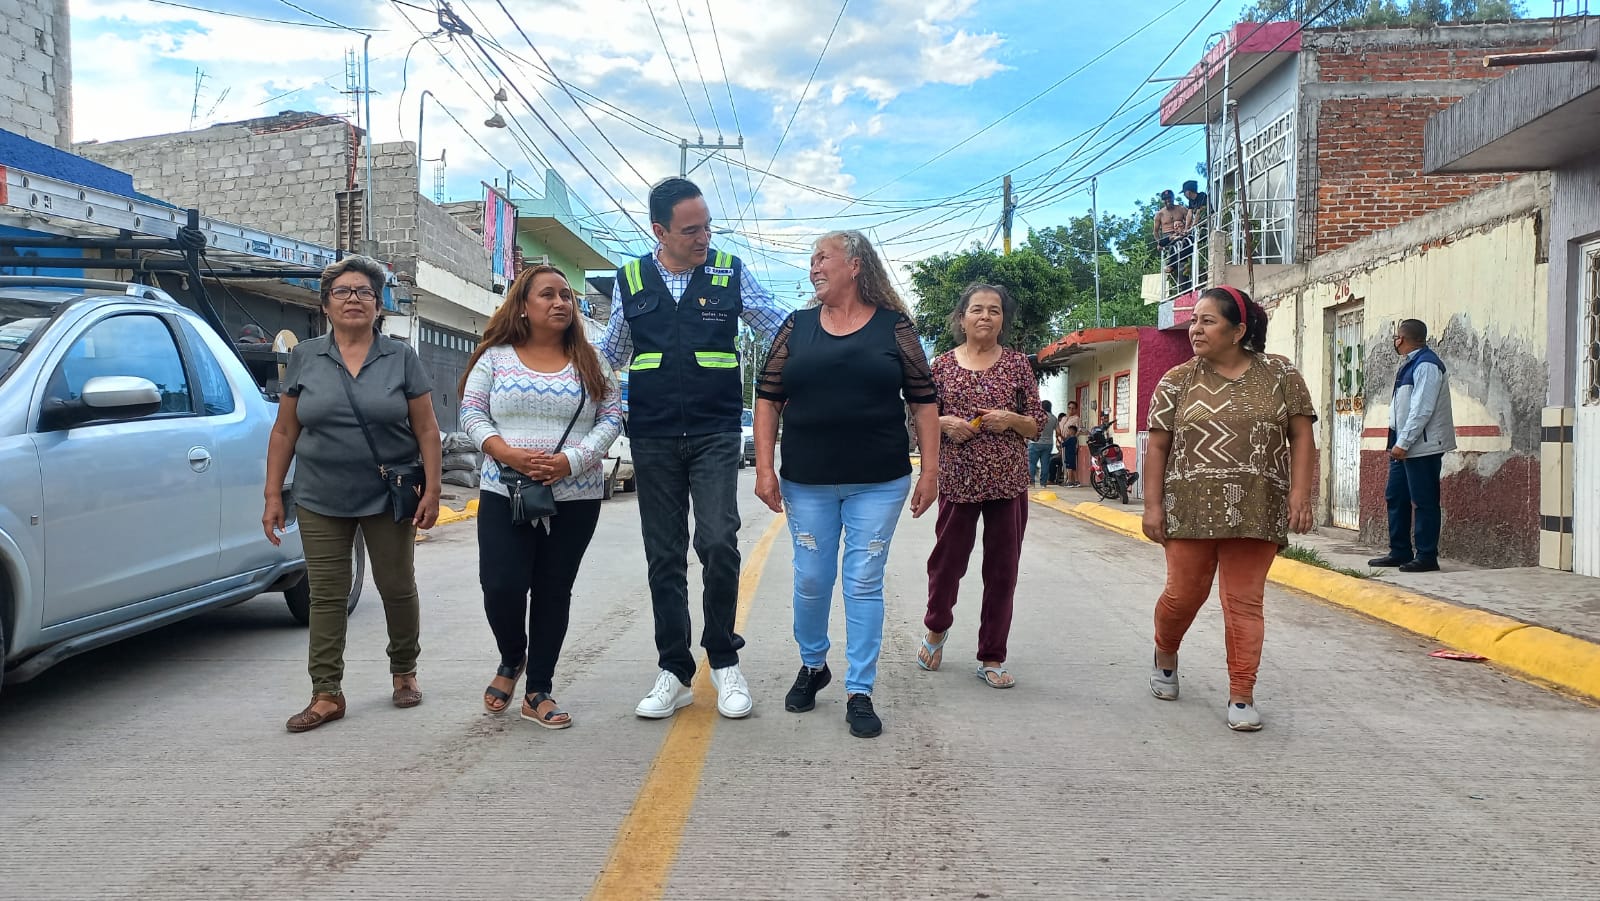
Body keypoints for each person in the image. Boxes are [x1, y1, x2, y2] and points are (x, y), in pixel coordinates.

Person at [598, 177, 788, 720]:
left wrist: (838, 341)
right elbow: (610, 351)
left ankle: (723, 660)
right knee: (664, 554)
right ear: (660, 231)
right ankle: (675, 670)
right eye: (691, 230)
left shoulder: (728, 271)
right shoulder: (630, 277)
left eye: (707, 225)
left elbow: (777, 328)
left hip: (715, 430)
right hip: (653, 434)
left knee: (718, 541)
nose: (704, 237)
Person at [754, 229, 939, 739]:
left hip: (878, 480)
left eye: (822, 258)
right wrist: (765, 467)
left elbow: (924, 400)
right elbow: (767, 398)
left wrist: (931, 469)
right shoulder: (796, 327)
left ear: (855, 265)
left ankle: (860, 689)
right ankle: (814, 665)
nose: (813, 267)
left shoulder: (894, 328)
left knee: (862, 581)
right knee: (812, 579)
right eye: (811, 260)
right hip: (806, 480)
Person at [264, 255, 443, 733]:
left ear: (378, 304)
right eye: (342, 292)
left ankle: (404, 669)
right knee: (326, 594)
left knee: (396, 586)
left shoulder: (401, 356)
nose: (353, 299)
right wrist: (273, 496)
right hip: (320, 494)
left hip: (387, 494)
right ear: (326, 304)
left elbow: (426, 429)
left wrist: (433, 487)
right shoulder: (305, 356)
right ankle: (326, 693)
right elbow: (284, 431)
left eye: (364, 291)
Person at [1141, 285, 1316, 732]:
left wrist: (1300, 494)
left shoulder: (1280, 374)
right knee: (1183, 597)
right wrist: (1153, 506)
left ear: (1238, 331)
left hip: (1257, 507)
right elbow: (1157, 447)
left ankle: (1242, 694)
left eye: (1207, 321)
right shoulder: (1176, 380)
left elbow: (1301, 437)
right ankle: (1165, 652)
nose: (1195, 329)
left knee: (1243, 602)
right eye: (1194, 320)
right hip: (1190, 508)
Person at [460, 265, 623, 729]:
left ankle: (539, 690)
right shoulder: (495, 357)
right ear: (523, 307)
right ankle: (513, 657)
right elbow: (471, 412)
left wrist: (574, 459)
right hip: (505, 489)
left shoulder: (592, 361)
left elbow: (611, 417)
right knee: (501, 585)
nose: (560, 303)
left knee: (554, 591)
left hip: (576, 495)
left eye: (565, 296)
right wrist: (505, 452)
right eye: (547, 295)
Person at [917, 283, 1047, 690]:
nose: (985, 316)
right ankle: (936, 629)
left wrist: (1011, 419)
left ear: (1002, 320)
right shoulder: (940, 366)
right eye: (977, 309)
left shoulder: (1017, 366)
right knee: (946, 564)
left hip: (1007, 483)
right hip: (958, 482)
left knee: (1002, 571)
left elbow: (1036, 424)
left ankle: (992, 655)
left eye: (994, 310)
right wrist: (943, 424)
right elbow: (920, 418)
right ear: (961, 318)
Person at [1369, 318, 1455, 573]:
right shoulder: (1411, 364)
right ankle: (1400, 551)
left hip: (1421, 446)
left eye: (1397, 337)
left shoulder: (1427, 365)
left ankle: (1427, 556)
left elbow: (1422, 409)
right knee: (1396, 496)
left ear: (1404, 339)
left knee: (1424, 500)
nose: (1395, 342)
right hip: (1403, 445)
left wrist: (1404, 442)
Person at [1154, 190, 1188, 288]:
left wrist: (1185, 230)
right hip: (1167, 238)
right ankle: (1171, 264)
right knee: (1172, 242)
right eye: (1165, 199)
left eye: (1169, 198)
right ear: (1163, 201)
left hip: (1181, 235)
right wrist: (1159, 243)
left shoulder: (1181, 209)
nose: (1167, 200)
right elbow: (1155, 231)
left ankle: (1173, 266)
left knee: (1183, 262)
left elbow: (1190, 221)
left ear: (1173, 198)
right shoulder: (1159, 214)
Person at [1028, 399, 1057, 487]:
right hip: (1048, 444)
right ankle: (1043, 483)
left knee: (1032, 463)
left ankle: (1031, 482)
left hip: (1035, 442)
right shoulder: (1053, 418)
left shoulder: (1037, 417)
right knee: (1045, 463)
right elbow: (1058, 431)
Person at [1056, 400, 1082, 486]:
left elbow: (1078, 430)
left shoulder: (1076, 419)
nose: (1071, 410)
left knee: (1071, 462)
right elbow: (1059, 430)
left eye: (1073, 408)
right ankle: (1066, 478)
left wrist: (1072, 438)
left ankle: (1071, 480)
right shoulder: (1063, 419)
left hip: (1071, 443)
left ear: (1076, 410)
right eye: (1069, 408)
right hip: (1062, 442)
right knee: (1065, 461)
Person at [1061, 424, 1081, 488]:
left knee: (1069, 469)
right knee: (1074, 469)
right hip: (1073, 456)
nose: (1068, 432)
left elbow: (1062, 445)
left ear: (1072, 431)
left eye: (1069, 431)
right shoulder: (1075, 439)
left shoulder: (1070, 439)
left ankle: (1069, 482)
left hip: (1069, 456)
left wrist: (1059, 439)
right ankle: (1077, 481)